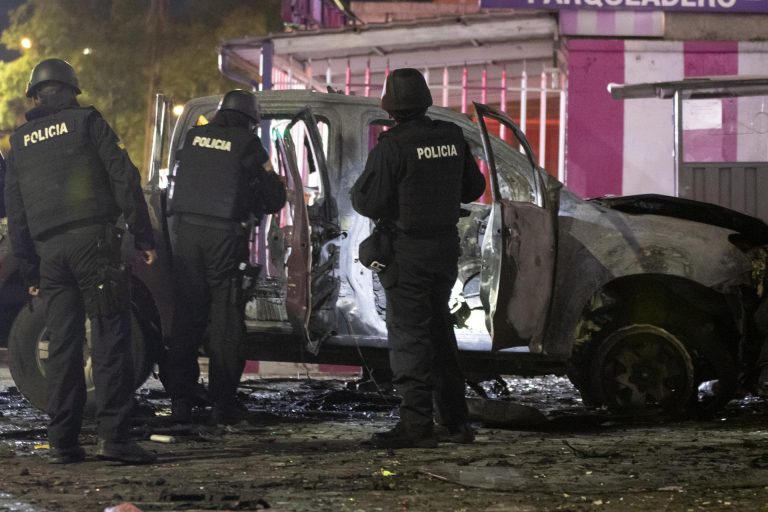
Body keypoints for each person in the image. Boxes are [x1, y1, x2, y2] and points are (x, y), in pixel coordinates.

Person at [4, 58, 157, 464]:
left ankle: (63, 444)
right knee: (108, 338)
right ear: (72, 91)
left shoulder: (19, 144)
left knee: (64, 346)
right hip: (95, 245)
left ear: (34, 96)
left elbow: (16, 214)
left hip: (50, 255)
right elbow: (124, 177)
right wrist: (143, 235)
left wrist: (29, 270)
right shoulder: (88, 123)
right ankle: (115, 439)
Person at [351, 68, 486, 449]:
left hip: (407, 254)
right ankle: (456, 422)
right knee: (440, 335)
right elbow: (474, 189)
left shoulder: (391, 147)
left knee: (410, 339)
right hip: (443, 252)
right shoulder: (451, 137)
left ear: (390, 107)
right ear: (425, 99)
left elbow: (367, 201)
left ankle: (416, 425)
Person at [161, 89, 286, 425]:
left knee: (187, 321)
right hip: (225, 240)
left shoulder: (194, 137)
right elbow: (275, 198)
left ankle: (181, 403)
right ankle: (221, 405)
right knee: (226, 323)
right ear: (250, 120)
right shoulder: (249, 145)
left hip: (186, 237)